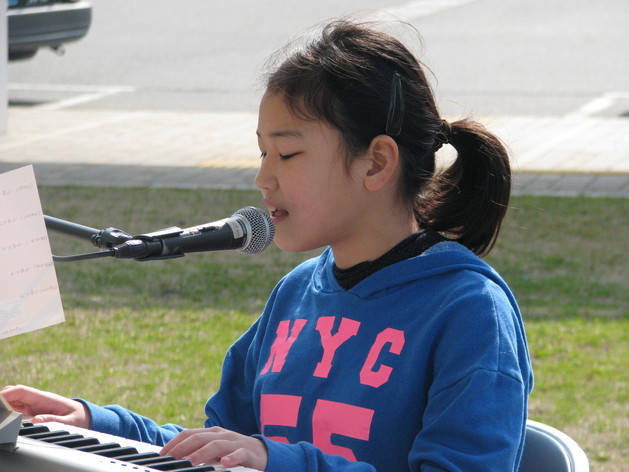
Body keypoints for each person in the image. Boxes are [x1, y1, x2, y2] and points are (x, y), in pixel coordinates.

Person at [2, 19, 533, 472]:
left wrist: (278, 460)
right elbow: (221, 446)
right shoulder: (296, 293)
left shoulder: (469, 313)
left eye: (287, 154)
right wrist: (97, 423)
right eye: (262, 153)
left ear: (376, 162)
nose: (262, 178)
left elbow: (263, 455)